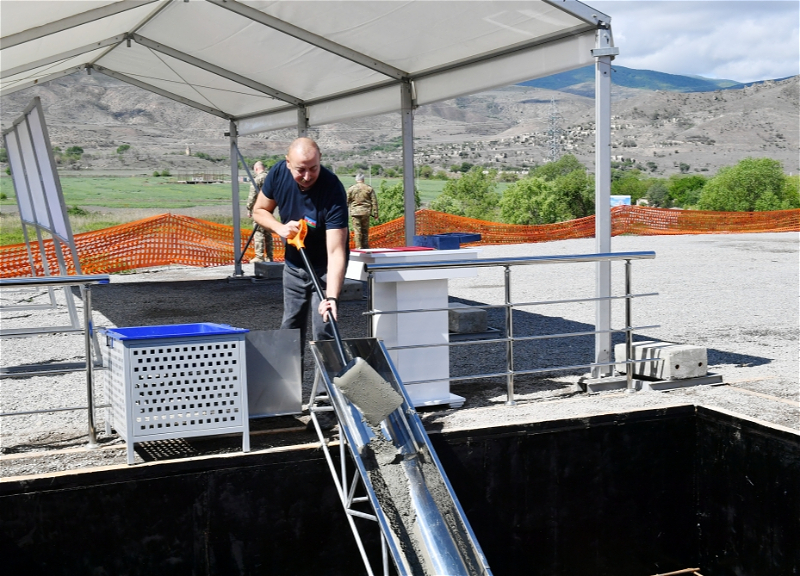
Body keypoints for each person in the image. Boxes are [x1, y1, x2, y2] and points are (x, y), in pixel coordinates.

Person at [252, 138, 349, 354]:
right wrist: (279, 228)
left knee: (324, 330)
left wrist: (331, 297)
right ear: (288, 163)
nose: (307, 176)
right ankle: (290, 377)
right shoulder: (278, 173)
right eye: (300, 170)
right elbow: (259, 210)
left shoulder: (332, 190)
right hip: (294, 266)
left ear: (320, 159)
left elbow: (336, 251)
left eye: (313, 168)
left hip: (324, 270)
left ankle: (328, 377)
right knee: (290, 328)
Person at [246, 161, 273, 262]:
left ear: (256, 169)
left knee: (258, 232)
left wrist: (249, 208)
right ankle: (269, 257)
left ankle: (259, 256)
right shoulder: (270, 178)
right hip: (269, 208)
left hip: (259, 208)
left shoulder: (258, 179)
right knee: (268, 233)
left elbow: (253, 195)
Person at [346, 173, 379, 249]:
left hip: (355, 213)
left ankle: (358, 247)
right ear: (363, 179)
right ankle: (366, 247)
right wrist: (376, 214)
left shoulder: (351, 189)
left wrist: (344, 213)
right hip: (366, 212)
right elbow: (374, 202)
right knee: (365, 231)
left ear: (356, 179)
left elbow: (346, 201)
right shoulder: (369, 188)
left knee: (357, 231)